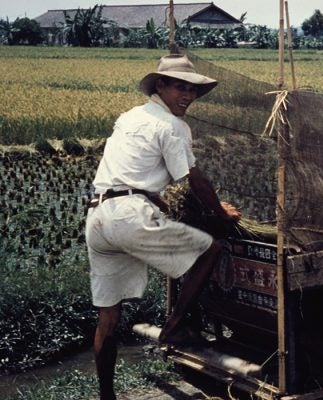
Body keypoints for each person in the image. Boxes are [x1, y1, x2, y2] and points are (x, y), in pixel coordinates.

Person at [85, 54, 241, 400]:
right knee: (209, 250)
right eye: (180, 88)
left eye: (193, 91)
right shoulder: (172, 126)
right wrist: (220, 213)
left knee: (108, 316)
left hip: (99, 216)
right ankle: (176, 326)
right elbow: (194, 179)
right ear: (160, 86)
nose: (187, 96)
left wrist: (155, 199)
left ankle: (106, 397)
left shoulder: (131, 116)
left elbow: (127, 172)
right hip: (128, 216)